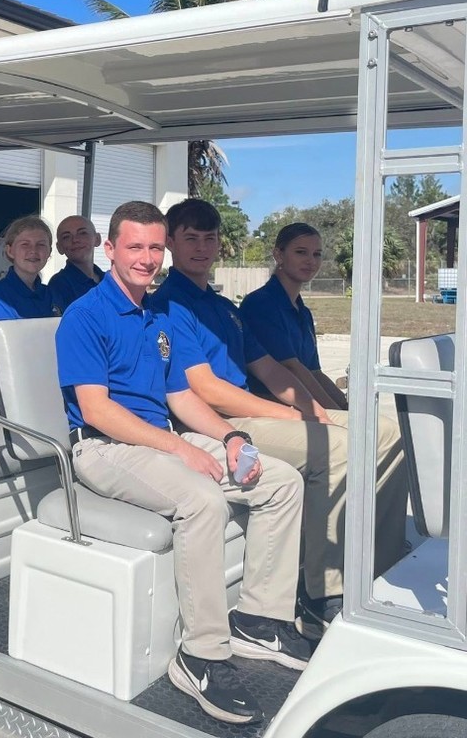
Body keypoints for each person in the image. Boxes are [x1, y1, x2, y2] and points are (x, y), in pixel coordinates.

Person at [56, 200, 310, 726]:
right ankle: (201, 654)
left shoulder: (160, 315)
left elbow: (182, 399)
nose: (147, 258)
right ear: (110, 250)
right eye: (134, 247)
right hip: (105, 448)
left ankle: (259, 620)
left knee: (280, 480)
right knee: (201, 498)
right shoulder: (85, 314)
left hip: (161, 438)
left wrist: (232, 437)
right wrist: (181, 449)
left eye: (153, 247)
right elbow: (97, 408)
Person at [154, 199, 408, 631]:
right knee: (336, 447)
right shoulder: (171, 304)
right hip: (218, 422)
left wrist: (312, 409)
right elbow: (207, 389)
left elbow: (269, 367)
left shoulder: (222, 307)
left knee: (385, 434)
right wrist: (292, 417)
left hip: (251, 411)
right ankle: (320, 589)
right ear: (171, 243)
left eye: (209, 239)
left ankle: (376, 558)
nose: (202, 247)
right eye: (190, 239)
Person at [240, 223, 350, 410]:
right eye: (301, 252)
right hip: (271, 405)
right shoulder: (261, 304)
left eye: (317, 254)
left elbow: (314, 372)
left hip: (302, 405)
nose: (311, 261)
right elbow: (292, 368)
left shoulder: (303, 312)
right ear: (278, 255)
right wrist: (334, 415)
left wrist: (346, 409)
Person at [0, 215, 61, 330]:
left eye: (41, 244)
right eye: (25, 244)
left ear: (49, 252)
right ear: (10, 251)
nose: (33, 251)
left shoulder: (52, 295)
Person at [47, 215, 104, 307]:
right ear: (59, 248)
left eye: (82, 233)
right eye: (66, 237)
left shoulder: (110, 280)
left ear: (97, 239)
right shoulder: (59, 285)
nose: (75, 240)